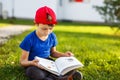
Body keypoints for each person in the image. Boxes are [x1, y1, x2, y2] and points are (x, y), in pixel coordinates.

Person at [19, 6, 83, 80]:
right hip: (34, 65)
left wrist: (64, 55)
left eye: (50, 29)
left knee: (63, 68)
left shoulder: (52, 36)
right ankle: (64, 78)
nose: (47, 32)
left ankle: (55, 77)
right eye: (44, 29)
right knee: (35, 73)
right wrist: (32, 63)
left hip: (48, 62)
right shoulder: (29, 39)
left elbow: (53, 53)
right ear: (36, 24)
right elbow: (23, 61)